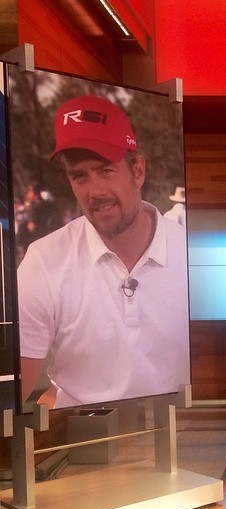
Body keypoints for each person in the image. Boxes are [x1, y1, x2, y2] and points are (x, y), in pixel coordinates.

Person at [17, 94, 190, 409]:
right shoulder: (43, 261)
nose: (94, 191)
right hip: (79, 435)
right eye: (79, 176)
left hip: (182, 429)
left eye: (106, 170)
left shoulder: (191, 254)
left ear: (138, 171)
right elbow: (13, 391)